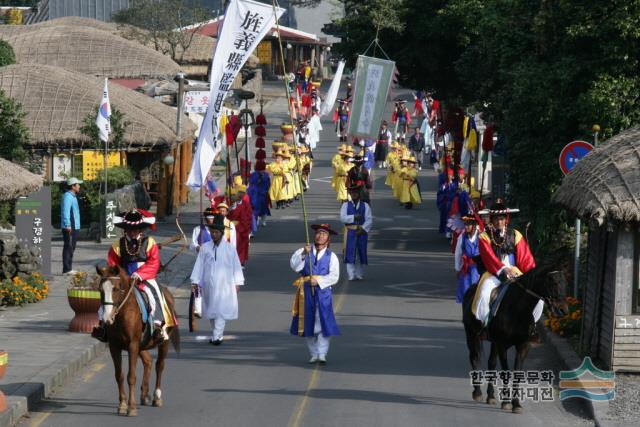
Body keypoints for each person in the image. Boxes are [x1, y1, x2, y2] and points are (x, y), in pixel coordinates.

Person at [472, 202, 541, 338]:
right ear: (492, 220)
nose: (500, 222)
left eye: (502, 219)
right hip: (492, 272)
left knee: (538, 297)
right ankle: (485, 326)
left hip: (515, 271)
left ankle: (532, 326)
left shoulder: (516, 234)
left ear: (506, 219)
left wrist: (533, 275)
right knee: (484, 294)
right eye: (497, 219)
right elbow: (488, 257)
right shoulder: (484, 236)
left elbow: (525, 257)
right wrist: (503, 270)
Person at [107, 209, 174, 341]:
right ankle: (102, 325)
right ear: (125, 229)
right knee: (107, 296)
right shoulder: (117, 245)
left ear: (140, 229)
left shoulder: (149, 242)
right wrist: (122, 277)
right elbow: (113, 264)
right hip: (124, 279)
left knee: (155, 294)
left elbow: (154, 262)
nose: (132, 232)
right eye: (129, 229)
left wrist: (140, 274)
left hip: (145, 278)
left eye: (136, 229)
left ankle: (158, 325)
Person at [190, 213, 244, 345]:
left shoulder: (230, 249)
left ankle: (216, 336)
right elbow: (199, 265)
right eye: (212, 232)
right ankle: (217, 334)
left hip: (225, 285)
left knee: (221, 310)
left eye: (216, 232)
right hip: (209, 284)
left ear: (221, 233)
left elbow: (237, 266)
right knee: (212, 311)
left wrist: (238, 282)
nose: (213, 234)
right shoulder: (205, 248)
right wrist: (195, 281)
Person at [290, 224, 341, 364]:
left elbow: (334, 276)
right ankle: (313, 353)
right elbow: (294, 266)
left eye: (324, 234)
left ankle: (322, 353)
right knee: (308, 322)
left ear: (328, 239)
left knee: (323, 321)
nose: (320, 236)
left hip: (323, 292)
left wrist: (319, 281)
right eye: (318, 233)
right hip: (305, 291)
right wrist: (303, 255)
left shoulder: (332, 256)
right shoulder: (305, 250)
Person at [340, 185, 372, 281]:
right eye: (352, 193)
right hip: (350, 231)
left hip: (361, 231)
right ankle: (351, 274)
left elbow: (369, 219)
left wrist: (363, 229)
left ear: (359, 194)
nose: (354, 194)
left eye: (356, 193)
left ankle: (359, 273)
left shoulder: (365, 205)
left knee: (361, 252)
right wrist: (353, 217)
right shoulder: (345, 205)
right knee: (350, 252)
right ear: (349, 194)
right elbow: (342, 218)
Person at [454, 215, 481, 303]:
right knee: (466, 289)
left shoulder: (481, 236)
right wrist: (458, 268)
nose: (466, 227)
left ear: (474, 225)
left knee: (479, 289)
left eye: (469, 225)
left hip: (478, 268)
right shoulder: (462, 237)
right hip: (466, 268)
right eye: (465, 224)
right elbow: (458, 253)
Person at [227, 180, 253, 266]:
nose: (241, 195)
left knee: (242, 245)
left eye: (243, 192)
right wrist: (230, 210)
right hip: (231, 228)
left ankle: (241, 262)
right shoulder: (230, 205)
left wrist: (245, 226)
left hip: (242, 227)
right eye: (240, 193)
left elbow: (248, 215)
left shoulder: (246, 204)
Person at [61, 177, 82, 274]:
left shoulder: (73, 196)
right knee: (68, 246)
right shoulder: (67, 196)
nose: (79, 186)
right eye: (78, 184)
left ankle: (69, 268)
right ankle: (66, 269)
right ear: (73, 186)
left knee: (72, 247)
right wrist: (67, 225)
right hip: (70, 226)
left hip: (74, 225)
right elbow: (65, 212)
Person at [248, 160, 271, 227]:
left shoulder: (253, 175)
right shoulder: (266, 175)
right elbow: (268, 184)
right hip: (263, 194)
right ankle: (263, 221)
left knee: (255, 208)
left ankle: (256, 221)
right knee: (264, 208)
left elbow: (251, 183)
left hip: (255, 194)